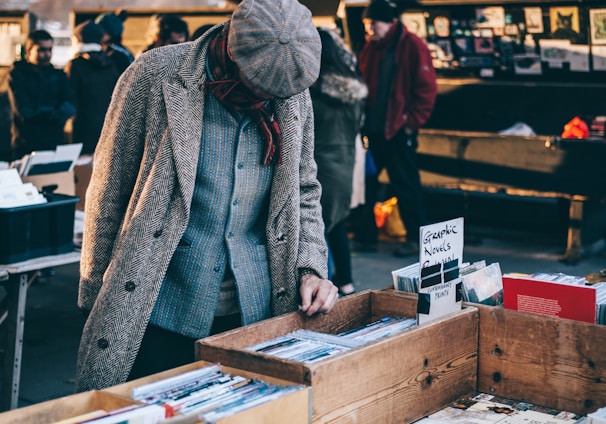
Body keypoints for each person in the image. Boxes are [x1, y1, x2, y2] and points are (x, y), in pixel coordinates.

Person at [76, 0, 339, 392]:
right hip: (156, 304)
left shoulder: (291, 94)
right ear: (233, 52)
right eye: (258, 88)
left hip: (256, 311)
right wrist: (96, 296)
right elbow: (109, 188)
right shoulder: (153, 74)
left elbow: (304, 189)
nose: (269, 101)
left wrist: (312, 267)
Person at [357, 0, 437, 257]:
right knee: (365, 184)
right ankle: (366, 236)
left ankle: (416, 240)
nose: (369, 30)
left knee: (406, 186)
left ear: (387, 22)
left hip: (399, 130)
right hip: (374, 130)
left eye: (372, 24)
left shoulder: (412, 46)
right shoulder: (371, 48)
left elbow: (426, 89)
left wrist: (411, 123)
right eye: (366, 25)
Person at [310, 28, 367, 296]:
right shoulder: (352, 90)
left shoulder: (314, 90)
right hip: (346, 162)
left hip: (319, 164)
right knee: (336, 224)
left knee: (315, 228)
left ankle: (324, 282)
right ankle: (345, 281)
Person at [7, 30, 76, 160]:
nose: (47, 54)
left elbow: (70, 106)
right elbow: (23, 110)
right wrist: (54, 113)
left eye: (50, 50)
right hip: (26, 143)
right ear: (28, 51)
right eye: (42, 50)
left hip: (53, 142)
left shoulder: (58, 75)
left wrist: (43, 112)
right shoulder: (17, 75)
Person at [65, 20, 121, 155]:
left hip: (83, 128)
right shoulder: (110, 64)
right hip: (108, 126)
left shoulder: (75, 65)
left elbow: (69, 97)